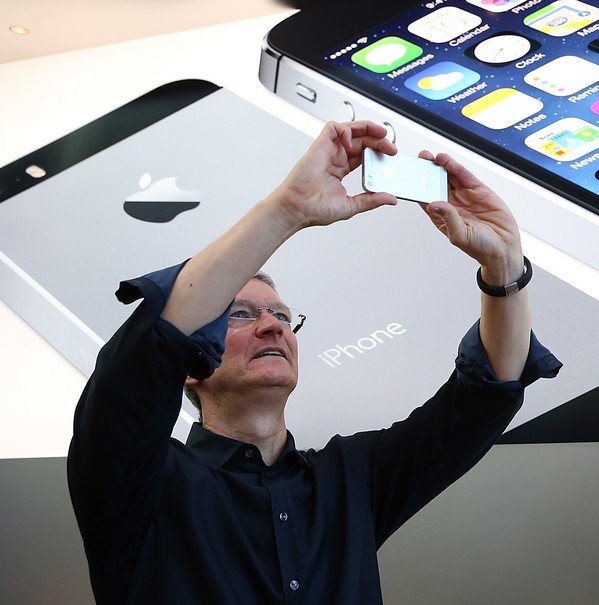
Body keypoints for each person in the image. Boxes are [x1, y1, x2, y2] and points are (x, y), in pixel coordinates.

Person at [68, 120, 561, 604]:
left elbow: (484, 397)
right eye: (240, 315)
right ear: (193, 367)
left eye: (282, 316)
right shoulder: (142, 480)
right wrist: (287, 211)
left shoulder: (350, 479)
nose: (272, 326)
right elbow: (145, 355)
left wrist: (504, 265)